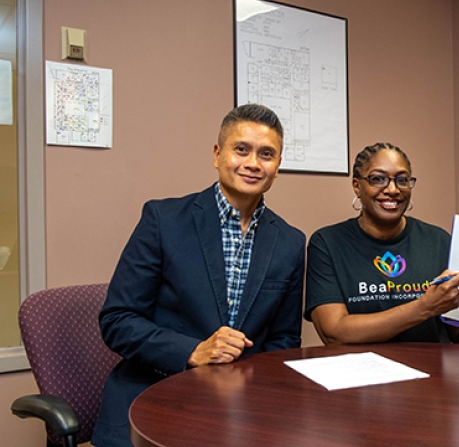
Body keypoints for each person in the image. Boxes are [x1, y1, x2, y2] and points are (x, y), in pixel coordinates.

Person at [92, 104, 306, 447]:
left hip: (246, 409)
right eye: (241, 149)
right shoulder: (163, 220)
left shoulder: (291, 243)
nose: (253, 163)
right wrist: (192, 351)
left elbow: (284, 342)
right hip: (154, 394)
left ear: (277, 166)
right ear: (217, 154)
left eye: (267, 154)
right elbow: (117, 320)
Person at [305, 142, 459, 345]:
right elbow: (335, 333)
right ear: (357, 185)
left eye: (402, 180)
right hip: (360, 383)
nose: (393, 190)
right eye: (378, 179)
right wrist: (424, 307)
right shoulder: (327, 243)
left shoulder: (438, 241)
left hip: (432, 381)